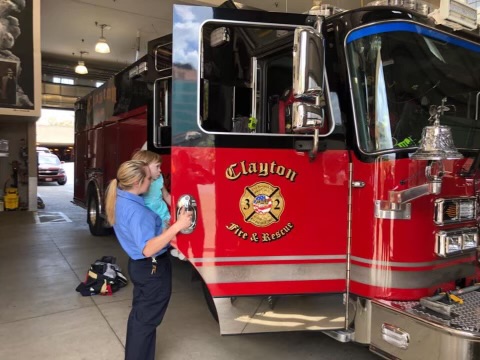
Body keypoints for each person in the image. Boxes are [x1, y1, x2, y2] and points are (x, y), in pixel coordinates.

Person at [105, 160, 192, 360]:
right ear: (137, 182)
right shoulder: (136, 211)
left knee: (141, 318)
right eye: (149, 178)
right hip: (152, 268)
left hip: (140, 268)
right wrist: (177, 227)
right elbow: (147, 248)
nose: (152, 181)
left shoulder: (122, 198)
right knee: (145, 322)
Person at [131, 150, 171, 229]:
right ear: (144, 167)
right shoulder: (138, 184)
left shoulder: (159, 179)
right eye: (157, 166)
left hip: (164, 215)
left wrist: (178, 207)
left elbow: (166, 195)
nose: (160, 170)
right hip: (149, 220)